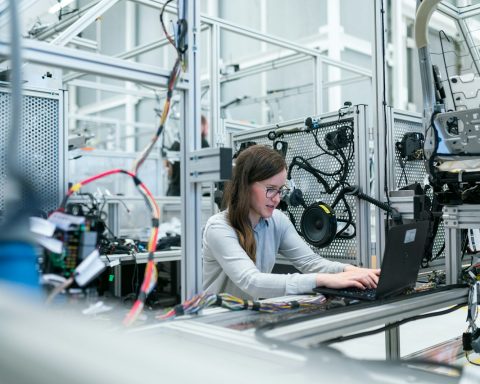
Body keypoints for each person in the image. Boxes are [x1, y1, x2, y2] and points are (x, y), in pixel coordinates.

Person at [202, 144, 380, 300]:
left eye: (280, 190)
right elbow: (252, 281)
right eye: (271, 189)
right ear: (245, 186)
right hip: (216, 323)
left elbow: (311, 262)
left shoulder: (276, 221)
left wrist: (352, 271)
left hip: (247, 317)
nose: (277, 199)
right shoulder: (219, 228)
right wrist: (323, 280)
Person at [165, 116, 209, 196]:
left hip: (172, 193)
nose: (207, 130)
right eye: (206, 126)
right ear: (201, 125)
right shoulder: (201, 142)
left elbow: (168, 169)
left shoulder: (176, 143)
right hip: (189, 195)